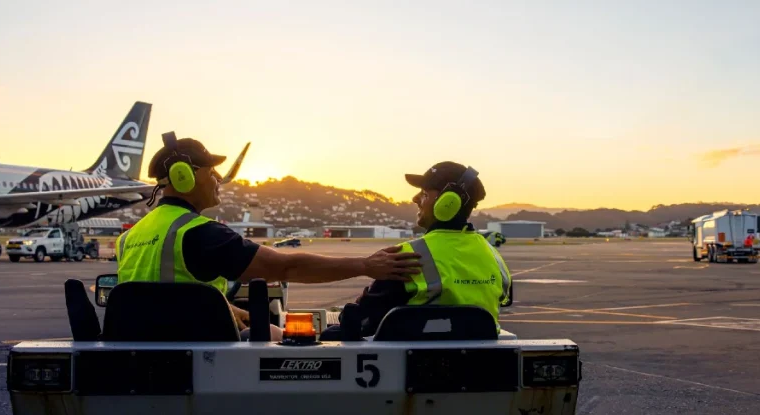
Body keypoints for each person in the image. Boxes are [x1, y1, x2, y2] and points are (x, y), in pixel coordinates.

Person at [115, 132, 422, 340]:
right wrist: (365, 266)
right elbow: (288, 268)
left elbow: (165, 295)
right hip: (199, 353)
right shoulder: (200, 234)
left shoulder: (130, 237)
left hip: (140, 352)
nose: (219, 179)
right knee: (281, 335)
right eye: (212, 172)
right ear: (185, 176)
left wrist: (224, 306)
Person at [321, 161, 511, 339]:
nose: (415, 198)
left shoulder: (407, 256)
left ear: (448, 202)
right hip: (482, 364)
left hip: (415, 367)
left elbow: (362, 320)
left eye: (424, 193)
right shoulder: (493, 255)